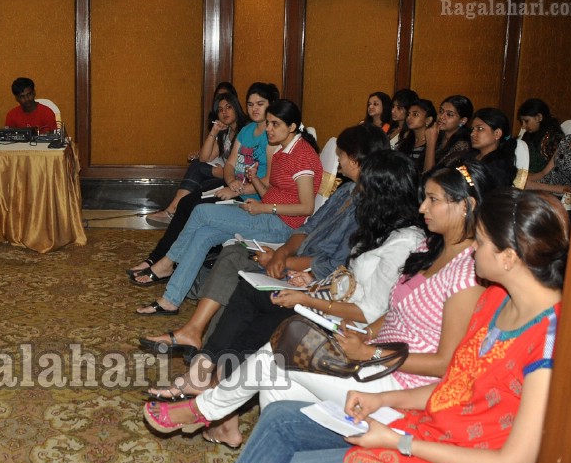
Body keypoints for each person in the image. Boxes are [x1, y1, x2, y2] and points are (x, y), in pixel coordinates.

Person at [156, 188, 566, 463]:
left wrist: (399, 440)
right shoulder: (499, 303)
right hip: (430, 430)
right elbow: (454, 387)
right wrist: (382, 400)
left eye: (482, 242)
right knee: (281, 420)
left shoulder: (549, 344)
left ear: (510, 257)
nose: (472, 249)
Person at [146, 160, 491, 448]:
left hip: (396, 375)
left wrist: (362, 345)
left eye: (433, 200)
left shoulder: (462, 271)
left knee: (283, 340)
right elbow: (388, 310)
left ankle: (205, 407)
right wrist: (321, 294)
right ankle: (251, 439)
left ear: (466, 205)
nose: (422, 207)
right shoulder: (426, 250)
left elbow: (446, 362)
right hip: (367, 340)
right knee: (278, 385)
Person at [136, 123, 388, 357]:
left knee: (213, 229)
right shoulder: (345, 190)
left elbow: (333, 262)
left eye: (342, 155)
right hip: (292, 249)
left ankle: (205, 344)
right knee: (230, 251)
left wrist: (286, 261)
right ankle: (194, 332)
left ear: (356, 159)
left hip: (313, 276)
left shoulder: (369, 208)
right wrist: (281, 254)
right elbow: (309, 227)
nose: (339, 163)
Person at [132, 99, 321, 315]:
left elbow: (307, 208)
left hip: (283, 225)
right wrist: (256, 181)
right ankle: (171, 299)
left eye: (275, 124)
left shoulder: (302, 156)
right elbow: (273, 192)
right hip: (268, 214)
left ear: (292, 126)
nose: (268, 129)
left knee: (201, 211)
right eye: (268, 123)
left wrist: (265, 208)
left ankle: (168, 261)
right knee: (203, 233)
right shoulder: (282, 151)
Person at [128, 84, 276, 280]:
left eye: (260, 104)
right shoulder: (247, 130)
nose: (254, 109)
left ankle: (167, 261)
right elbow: (230, 164)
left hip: (250, 197)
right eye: (250, 104)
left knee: (195, 206)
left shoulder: (272, 135)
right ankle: (157, 258)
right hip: (234, 187)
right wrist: (231, 181)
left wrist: (236, 189)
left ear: (270, 105)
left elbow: (270, 180)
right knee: (187, 202)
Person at [144, 83, 246, 226]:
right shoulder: (226, 131)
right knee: (198, 166)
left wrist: (224, 173)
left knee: (197, 167)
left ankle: (173, 210)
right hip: (224, 175)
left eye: (229, 107)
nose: (224, 112)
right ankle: (175, 211)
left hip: (237, 180)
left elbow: (243, 165)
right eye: (220, 109)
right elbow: (205, 157)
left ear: (236, 107)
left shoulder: (245, 131)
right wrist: (214, 132)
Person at [527, 101, 571, 197]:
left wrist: (537, 186)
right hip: (544, 186)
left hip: (562, 197)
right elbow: (544, 172)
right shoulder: (567, 139)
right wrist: (525, 180)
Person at [469, 107, 517, 189]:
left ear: (497, 134)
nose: (472, 134)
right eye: (472, 129)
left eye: (480, 129)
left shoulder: (498, 167)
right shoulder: (470, 156)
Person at [423, 94, 472, 172]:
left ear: (463, 120)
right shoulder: (438, 135)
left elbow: (430, 176)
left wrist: (431, 143)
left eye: (449, 114)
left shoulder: (463, 146)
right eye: (441, 111)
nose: (441, 117)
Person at [518, 97, 565, 173]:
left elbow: (555, 170)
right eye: (522, 122)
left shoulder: (555, 137)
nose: (523, 126)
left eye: (526, 121)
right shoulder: (528, 135)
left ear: (539, 117)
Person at [394, 98, 435, 169]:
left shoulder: (432, 143)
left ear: (428, 120)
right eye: (408, 114)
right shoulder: (406, 140)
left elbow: (430, 172)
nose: (409, 118)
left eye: (415, 114)